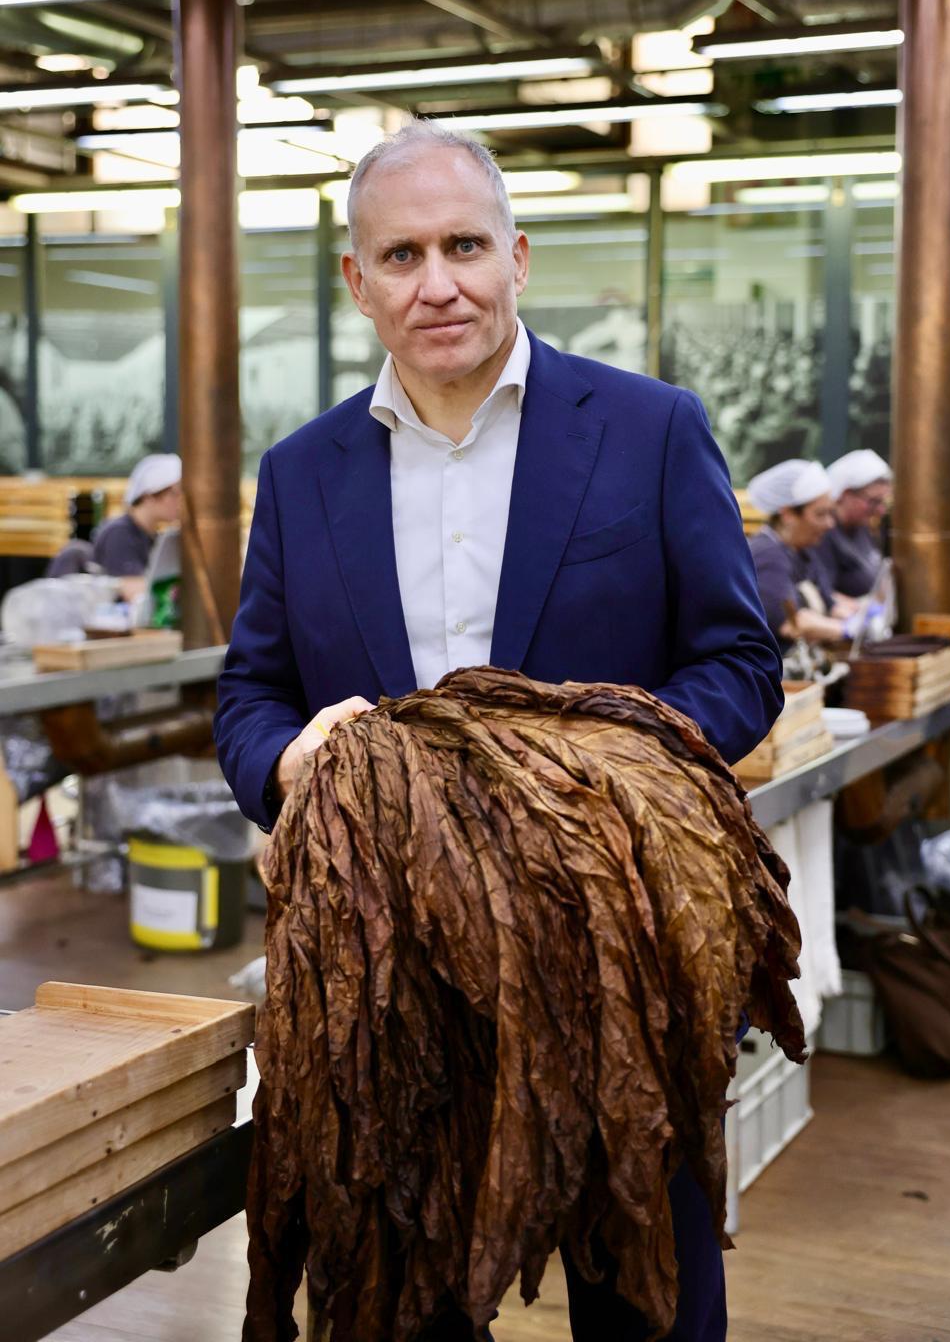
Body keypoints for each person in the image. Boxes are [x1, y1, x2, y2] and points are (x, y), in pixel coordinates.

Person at [215, 118, 784, 1342]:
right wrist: (292, 763)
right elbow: (249, 694)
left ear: (517, 256)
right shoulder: (303, 472)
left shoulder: (648, 428)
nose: (439, 283)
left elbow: (739, 663)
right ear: (356, 280)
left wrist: (586, 770)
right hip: (395, 974)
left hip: (616, 958)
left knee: (645, 1299)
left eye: (464, 245)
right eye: (402, 254)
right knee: (403, 1300)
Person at [747, 458, 852, 654]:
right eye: (820, 514)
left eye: (831, 513)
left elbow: (830, 603)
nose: (830, 524)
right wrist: (847, 629)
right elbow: (791, 623)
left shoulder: (803, 552)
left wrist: (860, 616)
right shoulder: (768, 555)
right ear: (787, 514)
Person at [91, 453, 182, 578]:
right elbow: (133, 585)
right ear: (150, 495)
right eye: (175, 494)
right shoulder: (119, 533)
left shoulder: (151, 536)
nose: (180, 501)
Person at [818, 448, 892, 598]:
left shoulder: (862, 528)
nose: (880, 511)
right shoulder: (823, 535)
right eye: (873, 501)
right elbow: (824, 594)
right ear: (845, 494)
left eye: (882, 502)